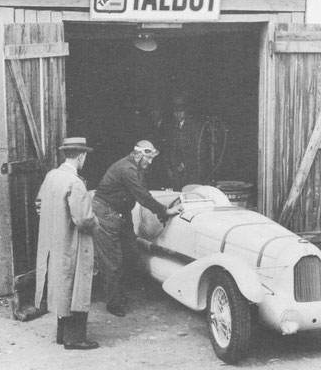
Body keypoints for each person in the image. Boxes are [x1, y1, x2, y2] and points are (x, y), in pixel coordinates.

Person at [92, 140, 183, 317]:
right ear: (139, 154)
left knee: (132, 253)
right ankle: (113, 303)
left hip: (121, 214)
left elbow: (143, 193)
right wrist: (165, 210)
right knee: (113, 261)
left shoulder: (136, 168)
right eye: (148, 158)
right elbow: (142, 196)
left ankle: (118, 293)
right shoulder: (127, 169)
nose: (150, 162)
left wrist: (161, 212)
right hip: (106, 213)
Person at [34, 137, 99, 350]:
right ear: (81, 156)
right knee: (77, 286)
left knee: (62, 285)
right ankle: (75, 339)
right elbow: (83, 219)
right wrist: (95, 222)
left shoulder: (52, 176)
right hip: (74, 242)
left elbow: (39, 204)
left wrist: (55, 221)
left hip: (55, 241)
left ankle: (62, 334)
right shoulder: (76, 182)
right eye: (85, 156)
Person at [165, 93, 205, 191]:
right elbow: (169, 150)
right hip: (176, 174)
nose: (178, 114)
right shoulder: (172, 128)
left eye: (181, 111)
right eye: (175, 112)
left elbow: (200, 150)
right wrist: (169, 169)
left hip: (192, 173)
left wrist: (184, 165)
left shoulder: (195, 128)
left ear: (186, 112)